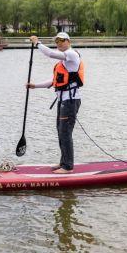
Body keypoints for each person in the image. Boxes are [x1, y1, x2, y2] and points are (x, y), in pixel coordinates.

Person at [26, 32, 84, 174]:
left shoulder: (72, 54)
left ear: (68, 41)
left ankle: (68, 167)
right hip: (62, 99)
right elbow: (54, 81)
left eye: (61, 40)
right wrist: (35, 86)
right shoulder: (63, 62)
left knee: (65, 132)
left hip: (71, 100)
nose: (59, 43)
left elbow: (50, 54)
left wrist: (37, 43)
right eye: (57, 41)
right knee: (60, 131)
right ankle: (63, 162)